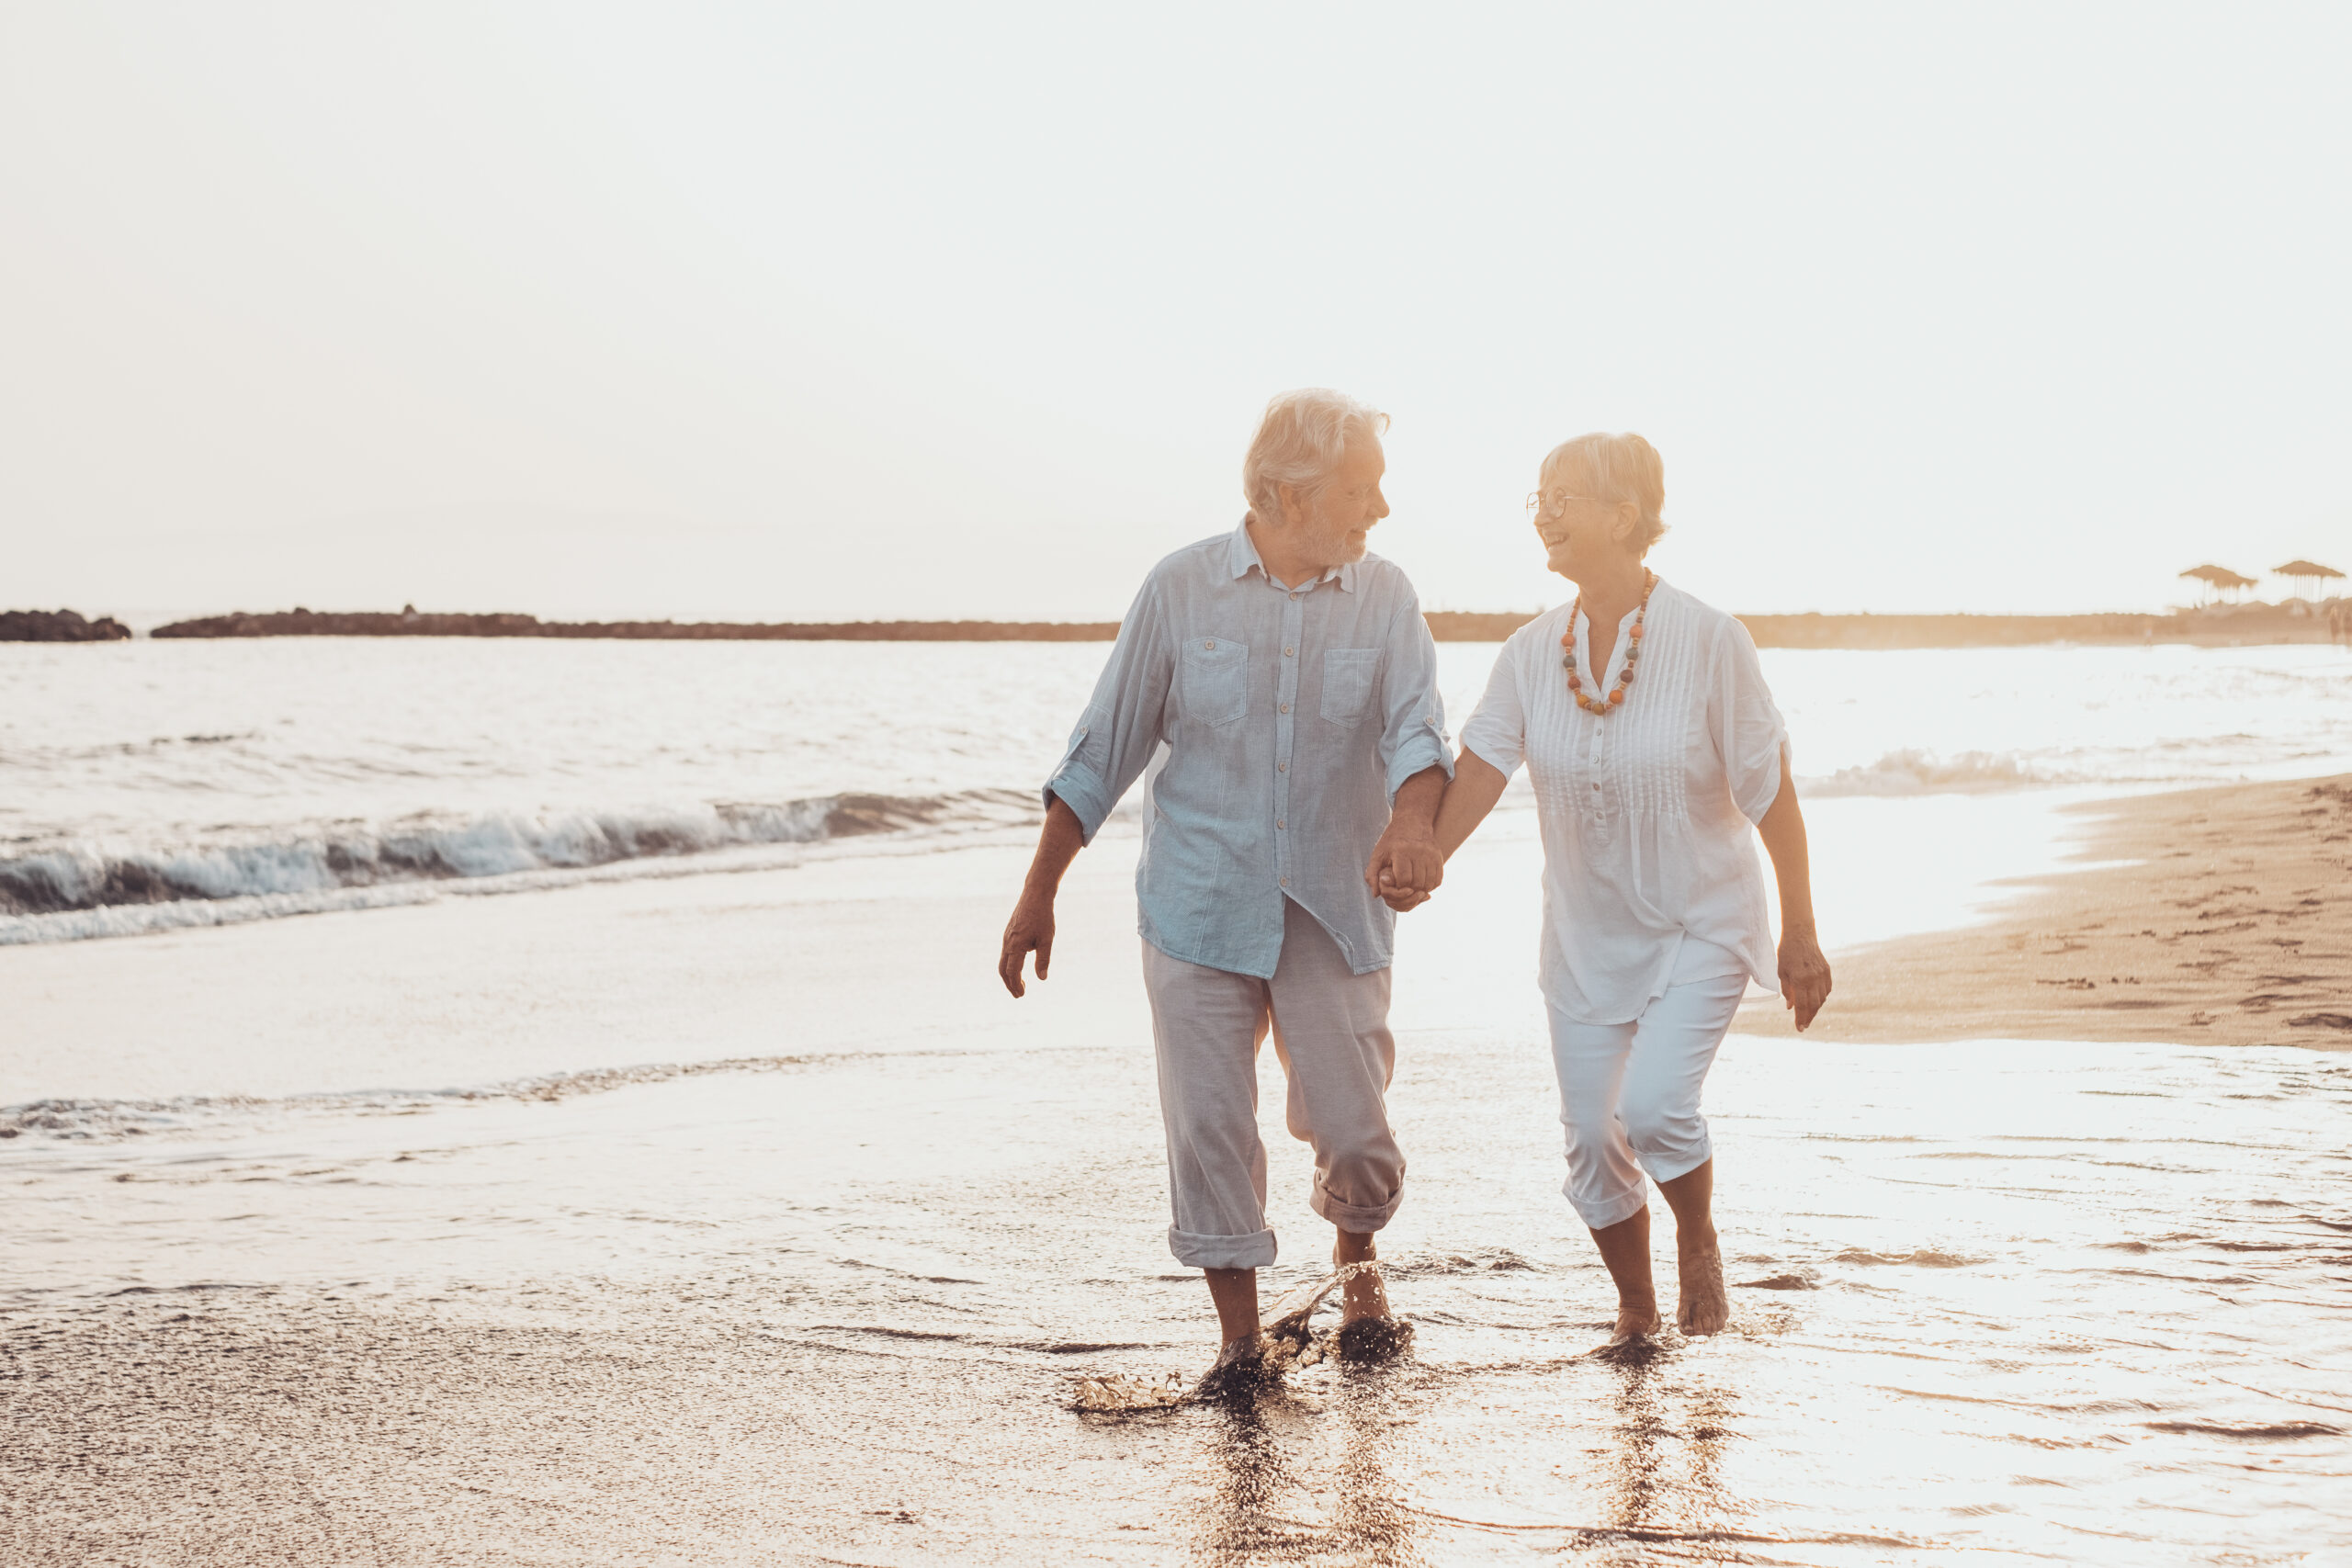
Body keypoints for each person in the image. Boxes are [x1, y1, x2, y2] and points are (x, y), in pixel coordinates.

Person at [999, 389, 1453, 1381]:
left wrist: (1414, 821)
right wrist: (1040, 892)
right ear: (1289, 492)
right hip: (1197, 905)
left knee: (1354, 1131)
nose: (1377, 511)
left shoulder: (1386, 597)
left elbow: (1419, 732)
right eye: (1360, 489)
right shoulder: (1180, 590)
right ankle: (1240, 1346)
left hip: (1335, 905)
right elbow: (1100, 751)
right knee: (1208, 1126)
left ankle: (1355, 1255)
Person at [1371, 432, 1831, 1344]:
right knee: (1592, 1143)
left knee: (1655, 1110)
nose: (1540, 511)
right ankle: (1637, 1314)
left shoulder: (1710, 639)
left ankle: (1696, 1239)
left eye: (1560, 495)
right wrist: (1424, 857)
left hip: (1701, 921)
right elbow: (1481, 770)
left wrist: (1800, 931)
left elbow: (1768, 792)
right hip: (1585, 941)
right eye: (1535, 495)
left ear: (1621, 516)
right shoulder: (1532, 653)